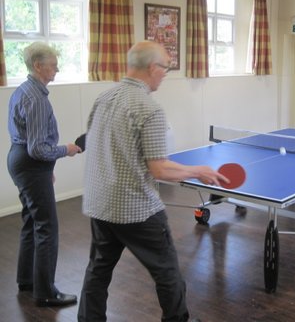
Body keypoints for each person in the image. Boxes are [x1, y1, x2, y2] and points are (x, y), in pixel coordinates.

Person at [77, 41, 228, 322]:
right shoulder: (150, 108)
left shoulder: (103, 98)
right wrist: (199, 171)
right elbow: (159, 170)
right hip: (136, 210)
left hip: (100, 205)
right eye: (166, 68)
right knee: (166, 271)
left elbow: (94, 143)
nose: (165, 74)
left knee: (97, 271)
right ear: (151, 68)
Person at [7, 42, 82, 307]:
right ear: (38, 66)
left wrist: (44, 170)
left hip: (21, 162)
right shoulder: (36, 98)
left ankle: (26, 280)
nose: (57, 69)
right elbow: (38, 148)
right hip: (30, 164)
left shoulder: (23, 91)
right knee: (47, 227)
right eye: (53, 64)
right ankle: (46, 292)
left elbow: (28, 142)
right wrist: (67, 150)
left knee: (31, 222)